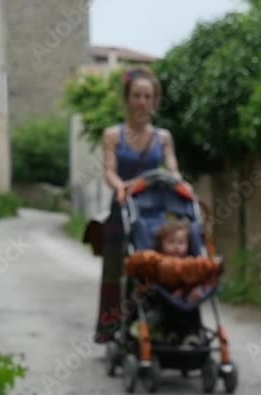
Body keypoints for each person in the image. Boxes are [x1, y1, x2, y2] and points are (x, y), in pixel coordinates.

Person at [94, 66, 182, 344]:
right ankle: (109, 330)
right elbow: (109, 171)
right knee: (115, 272)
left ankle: (157, 322)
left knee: (156, 265)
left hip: (154, 211)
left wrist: (181, 183)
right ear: (127, 99)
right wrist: (120, 185)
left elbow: (173, 170)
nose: (142, 102)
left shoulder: (164, 138)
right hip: (124, 205)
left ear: (155, 101)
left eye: (148, 96)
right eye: (136, 96)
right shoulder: (112, 135)